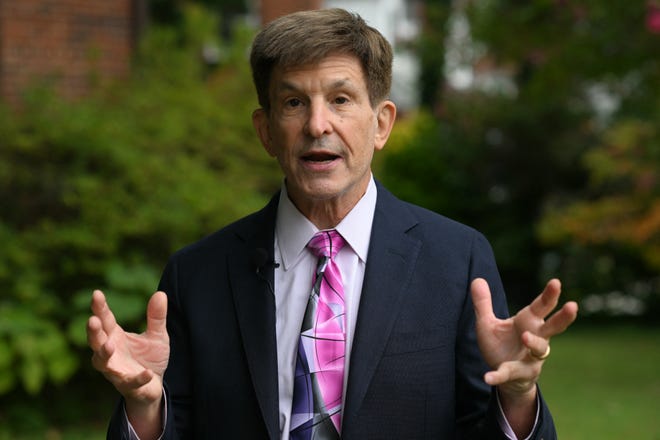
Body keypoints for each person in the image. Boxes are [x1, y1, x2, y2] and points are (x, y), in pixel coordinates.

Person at [87, 8, 578, 440]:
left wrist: (517, 397)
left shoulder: (457, 260)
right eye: (295, 102)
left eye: (341, 99)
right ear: (266, 130)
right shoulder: (197, 274)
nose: (318, 124)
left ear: (381, 123)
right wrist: (146, 406)